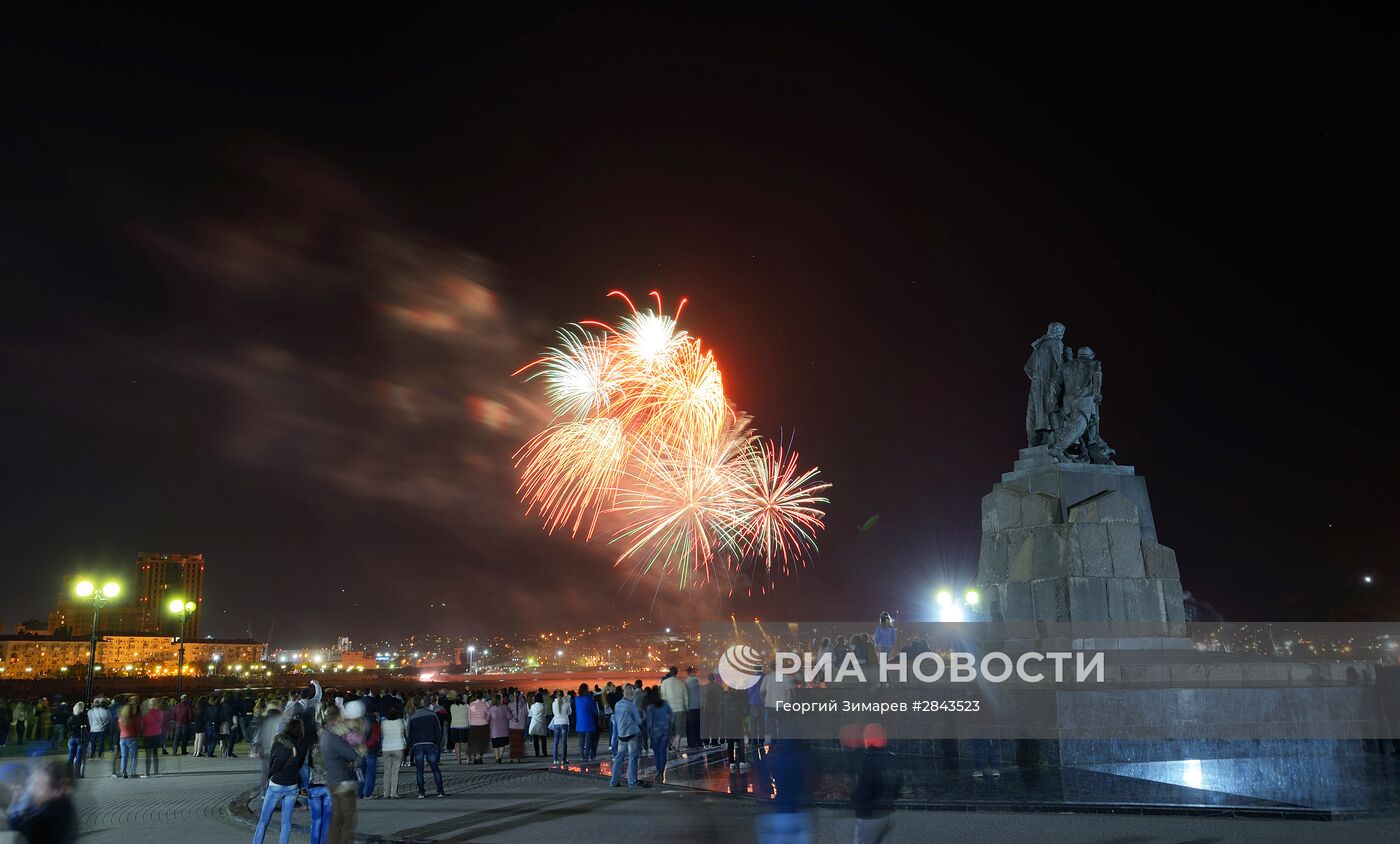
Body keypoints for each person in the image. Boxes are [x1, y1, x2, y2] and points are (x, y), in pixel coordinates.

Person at [252, 717, 307, 844]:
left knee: (263, 821)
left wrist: (270, 775)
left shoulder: (278, 743)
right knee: (286, 822)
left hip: (276, 784)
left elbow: (272, 764)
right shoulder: (301, 746)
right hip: (292, 785)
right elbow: (299, 766)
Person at [319, 704, 362, 844]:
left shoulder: (324, 735)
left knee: (336, 820)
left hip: (332, 780)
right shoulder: (334, 737)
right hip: (343, 781)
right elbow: (352, 755)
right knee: (347, 821)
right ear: (337, 717)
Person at [7, 760, 77, 844]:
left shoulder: (47, 817)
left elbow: (15, 830)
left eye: (39, 784)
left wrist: (13, 803)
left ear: (56, 792)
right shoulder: (59, 807)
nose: (31, 787)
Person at [851, 724, 899, 844]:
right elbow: (897, 785)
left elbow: (864, 788)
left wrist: (854, 799)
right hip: (887, 813)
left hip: (869, 814)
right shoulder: (891, 757)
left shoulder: (867, 759)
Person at [406, 698, 446, 798]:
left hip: (417, 745)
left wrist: (411, 745)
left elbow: (408, 734)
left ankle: (421, 792)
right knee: (435, 768)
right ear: (423, 704)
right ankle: (440, 791)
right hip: (430, 743)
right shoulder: (432, 715)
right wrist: (437, 743)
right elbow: (438, 730)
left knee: (419, 770)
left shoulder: (412, 717)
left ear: (414, 706)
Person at [608, 685, 643, 789]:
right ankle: (632, 782)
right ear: (632, 695)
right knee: (632, 758)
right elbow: (638, 720)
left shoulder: (617, 704)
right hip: (631, 734)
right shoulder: (631, 705)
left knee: (619, 757)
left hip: (621, 735)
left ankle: (613, 781)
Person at [378, 705, 407, 798]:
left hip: (386, 747)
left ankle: (386, 793)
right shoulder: (401, 722)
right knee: (395, 771)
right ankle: (394, 793)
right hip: (398, 747)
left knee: (387, 771)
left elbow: (382, 735)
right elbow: (405, 733)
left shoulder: (383, 723)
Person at [645, 688, 673, 783]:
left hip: (655, 732)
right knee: (663, 752)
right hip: (665, 730)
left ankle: (659, 771)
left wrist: (648, 734)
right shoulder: (666, 704)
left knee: (657, 753)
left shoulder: (651, 707)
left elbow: (649, 722)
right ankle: (661, 771)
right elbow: (671, 718)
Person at [659, 667, 687, 756]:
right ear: (676, 673)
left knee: (668, 729)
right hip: (679, 709)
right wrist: (686, 708)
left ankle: (668, 746)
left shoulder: (664, 683)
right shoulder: (682, 683)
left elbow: (662, 697)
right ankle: (677, 747)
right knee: (678, 730)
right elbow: (686, 698)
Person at [573, 684, 597, 762]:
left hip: (580, 723)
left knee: (581, 741)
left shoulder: (577, 699)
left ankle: (582, 756)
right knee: (588, 741)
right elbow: (594, 711)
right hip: (589, 722)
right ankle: (587, 756)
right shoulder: (589, 699)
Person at [117, 698, 141, 779]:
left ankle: (124, 772)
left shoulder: (120, 719)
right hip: (132, 738)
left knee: (124, 756)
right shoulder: (133, 719)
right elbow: (137, 728)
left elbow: (120, 728)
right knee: (134, 756)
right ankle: (132, 771)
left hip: (122, 738)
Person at [141, 699, 165, 777]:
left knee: (148, 755)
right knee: (155, 754)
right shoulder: (160, 713)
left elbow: (143, 725)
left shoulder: (146, 714)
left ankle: (147, 773)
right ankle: (156, 771)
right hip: (157, 734)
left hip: (148, 735)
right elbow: (161, 723)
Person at [64, 703, 88, 778]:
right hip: (80, 738)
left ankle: (68, 773)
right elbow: (87, 727)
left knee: (71, 757)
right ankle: (77, 774)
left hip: (72, 738)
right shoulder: (83, 716)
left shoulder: (71, 717)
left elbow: (68, 727)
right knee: (78, 758)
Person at [486, 694, 511, 764]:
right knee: (502, 745)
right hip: (503, 730)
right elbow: (510, 716)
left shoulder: (490, 708)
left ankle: (497, 757)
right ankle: (500, 757)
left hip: (494, 730)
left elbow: (487, 718)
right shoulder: (505, 707)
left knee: (496, 745)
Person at [466, 693, 490, 765]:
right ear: (482, 696)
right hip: (483, 725)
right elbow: (487, 715)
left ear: (476, 697)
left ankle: (474, 757)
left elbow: (469, 716)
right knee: (482, 742)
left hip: (474, 725)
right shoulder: (485, 704)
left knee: (474, 742)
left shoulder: (472, 704)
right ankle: (480, 757)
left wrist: (471, 723)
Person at [684, 667, 703, 749]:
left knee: (690, 726)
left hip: (690, 707)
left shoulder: (686, 682)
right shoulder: (698, 681)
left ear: (688, 673)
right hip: (698, 706)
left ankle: (691, 743)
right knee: (698, 726)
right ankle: (699, 742)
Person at [448, 694, 470, 765]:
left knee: (457, 744)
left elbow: (452, 715)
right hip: (465, 725)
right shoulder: (466, 706)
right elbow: (468, 715)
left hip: (455, 726)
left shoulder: (452, 706)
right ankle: (468, 759)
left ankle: (459, 760)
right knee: (466, 743)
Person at [549, 691, 570, 764]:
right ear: (563, 695)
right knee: (564, 742)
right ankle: (563, 759)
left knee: (556, 742)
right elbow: (570, 712)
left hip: (556, 723)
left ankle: (555, 759)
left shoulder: (554, 704)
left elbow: (554, 713)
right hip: (564, 723)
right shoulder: (567, 703)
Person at [506, 690, 527, 762]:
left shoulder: (510, 704)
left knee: (513, 743)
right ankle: (518, 757)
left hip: (512, 725)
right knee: (519, 742)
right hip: (521, 726)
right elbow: (526, 714)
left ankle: (511, 758)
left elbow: (508, 715)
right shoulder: (524, 704)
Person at [527, 692, 548, 757]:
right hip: (542, 723)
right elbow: (545, 713)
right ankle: (544, 752)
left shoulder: (533, 706)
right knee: (543, 739)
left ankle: (537, 753)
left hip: (535, 723)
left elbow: (530, 714)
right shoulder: (544, 705)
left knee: (535, 740)